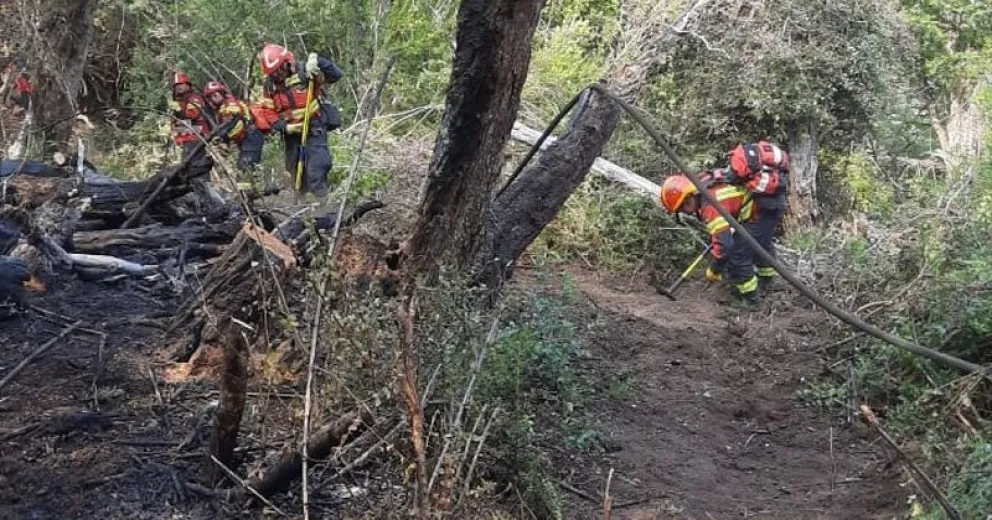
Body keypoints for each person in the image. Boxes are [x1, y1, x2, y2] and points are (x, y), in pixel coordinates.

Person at [253, 43, 343, 199]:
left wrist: (318, 61)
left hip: (313, 127)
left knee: (316, 168)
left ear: (287, 63)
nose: (277, 75)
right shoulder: (269, 85)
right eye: (274, 73)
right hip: (291, 133)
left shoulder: (305, 72)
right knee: (295, 173)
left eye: (279, 70)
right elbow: (268, 111)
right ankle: (301, 206)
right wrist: (284, 127)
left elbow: (336, 75)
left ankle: (322, 205)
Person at [660, 172, 760, 306]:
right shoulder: (703, 189)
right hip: (756, 206)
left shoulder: (709, 206)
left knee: (737, 257)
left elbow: (725, 246)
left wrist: (714, 269)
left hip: (756, 212)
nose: (684, 212)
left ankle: (752, 300)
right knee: (753, 249)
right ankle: (765, 280)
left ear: (688, 200)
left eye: (682, 209)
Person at [726, 141, 789, 290]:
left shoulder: (752, 178)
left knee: (739, 253)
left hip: (764, 213)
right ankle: (767, 281)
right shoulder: (772, 179)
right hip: (773, 209)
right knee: (763, 245)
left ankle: (749, 295)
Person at [168, 72, 220, 206]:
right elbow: (177, 124)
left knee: (196, 168)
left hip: (196, 138)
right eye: (176, 86)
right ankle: (199, 198)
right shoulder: (180, 102)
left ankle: (207, 199)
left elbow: (193, 114)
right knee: (190, 169)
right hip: (188, 140)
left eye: (181, 84)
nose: (179, 87)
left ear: (188, 85)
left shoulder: (194, 98)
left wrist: (178, 110)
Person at [202, 80, 263, 175]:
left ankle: (253, 183)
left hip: (251, 137)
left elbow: (236, 125)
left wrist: (222, 137)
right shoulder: (221, 109)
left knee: (246, 166)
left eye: (216, 94)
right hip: (244, 139)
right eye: (211, 96)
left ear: (222, 93)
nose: (214, 98)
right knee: (241, 166)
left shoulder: (231, 105)